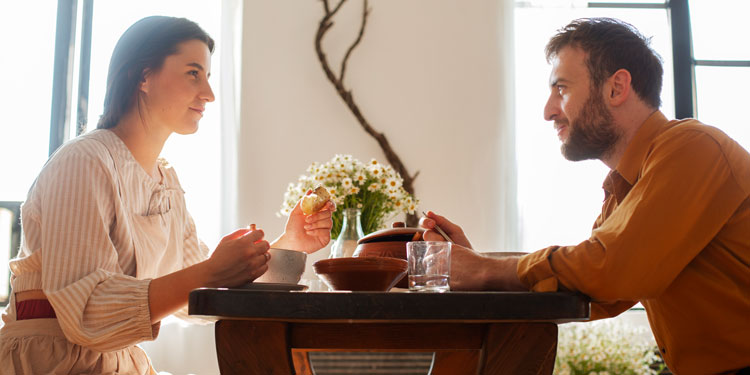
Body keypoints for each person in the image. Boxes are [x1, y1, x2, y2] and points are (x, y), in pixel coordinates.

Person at [0, 16, 334, 374]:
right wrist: (210, 271)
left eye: (207, 76)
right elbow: (86, 313)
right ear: (143, 76)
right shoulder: (85, 161)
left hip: (115, 363)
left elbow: (204, 297)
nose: (208, 93)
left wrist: (290, 244)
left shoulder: (165, 181)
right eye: (193, 73)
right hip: (50, 362)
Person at [421, 18, 750, 374]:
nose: (548, 111)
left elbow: (609, 270)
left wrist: (484, 271)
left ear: (616, 88)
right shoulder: (625, 187)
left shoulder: (692, 148)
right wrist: (478, 265)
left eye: (561, 89)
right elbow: (588, 288)